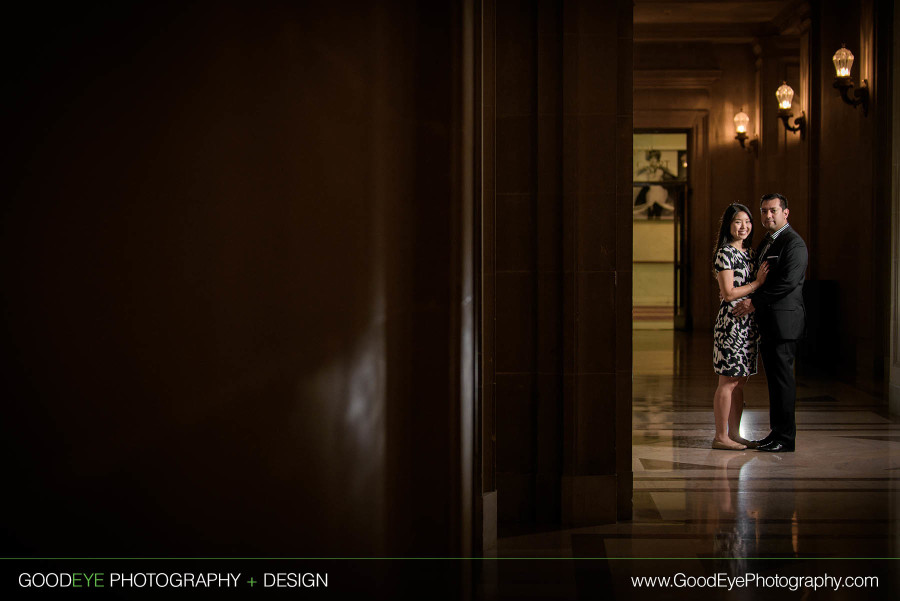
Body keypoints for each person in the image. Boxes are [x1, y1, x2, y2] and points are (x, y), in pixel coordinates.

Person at [732, 193, 808, 452]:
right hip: (770, 323)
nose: (767, 216)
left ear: (785, 213)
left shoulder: (793, 244)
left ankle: (785, 439)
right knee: (776, 384)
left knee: (783, 383)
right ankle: (776, 434)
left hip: (784, 324)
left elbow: (787, 283)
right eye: (764, 211)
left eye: (773, 211)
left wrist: (753, 302)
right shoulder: (768, 241)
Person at [711, 203, 769, 450]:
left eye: (747, 221)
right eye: (737, 221)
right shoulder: (725, 253)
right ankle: (720, 436)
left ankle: (734, 434)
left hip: (748, 325)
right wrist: (756, 284)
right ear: (728, 225)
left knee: (741, 380)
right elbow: (728, 293)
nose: (743, 226)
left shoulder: (751, 253)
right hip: (731, 324)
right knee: (728, 381)